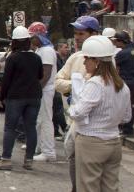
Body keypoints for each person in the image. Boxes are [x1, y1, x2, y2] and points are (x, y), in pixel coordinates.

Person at [69, 36, 132, 192]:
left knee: (88, 186)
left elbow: (78, 113)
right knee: (110, 187)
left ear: (96, 61)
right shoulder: (122, 85)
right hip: (113, 141)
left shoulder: (95, 83)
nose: (84, 63)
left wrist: (71, 108)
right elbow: (126, 117)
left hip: (92, 142)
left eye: (86, 59)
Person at [55, 15, 103, 192]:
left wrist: (82, 86)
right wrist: (75, 86)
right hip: (75, 121)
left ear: (94, 34)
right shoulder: (75, 58)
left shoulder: (106, 59)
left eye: (81, 33)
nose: (77, 37)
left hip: (95, 125)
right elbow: (58, 81)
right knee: (73, 159)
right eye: (76, 33)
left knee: (93, 172)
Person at [0, 26, 43, 171]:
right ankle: (29, 160)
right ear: (27, 40)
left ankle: (6, 159)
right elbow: (40, 76)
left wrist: (1, 97)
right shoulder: (37, 57)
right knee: (30, 127)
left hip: (16, 97)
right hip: (34, 96)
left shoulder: (13, 57)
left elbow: (6, 80)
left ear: (13, 41)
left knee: (10, 128)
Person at [28, 22, 58, 163]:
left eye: (32, 36)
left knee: (45, 120)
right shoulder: (42, 49)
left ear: (38, 36)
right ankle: (39, 146)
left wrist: (36, 90)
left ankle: (48, 151)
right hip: (42, 89)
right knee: (39, 120)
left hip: (45, 90)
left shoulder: (46, 51)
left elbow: (45, 75)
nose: (31, 39)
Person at [112, 31, 134, 137]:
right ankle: (128, 128)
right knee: (130, 106)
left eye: (116, 41)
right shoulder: (132, 50)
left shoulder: (122, 53)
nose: (115, 44)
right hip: (133, 81)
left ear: (120, 41)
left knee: (124, 106)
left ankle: (127, 129)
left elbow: (114, 68)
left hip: (125, 82)